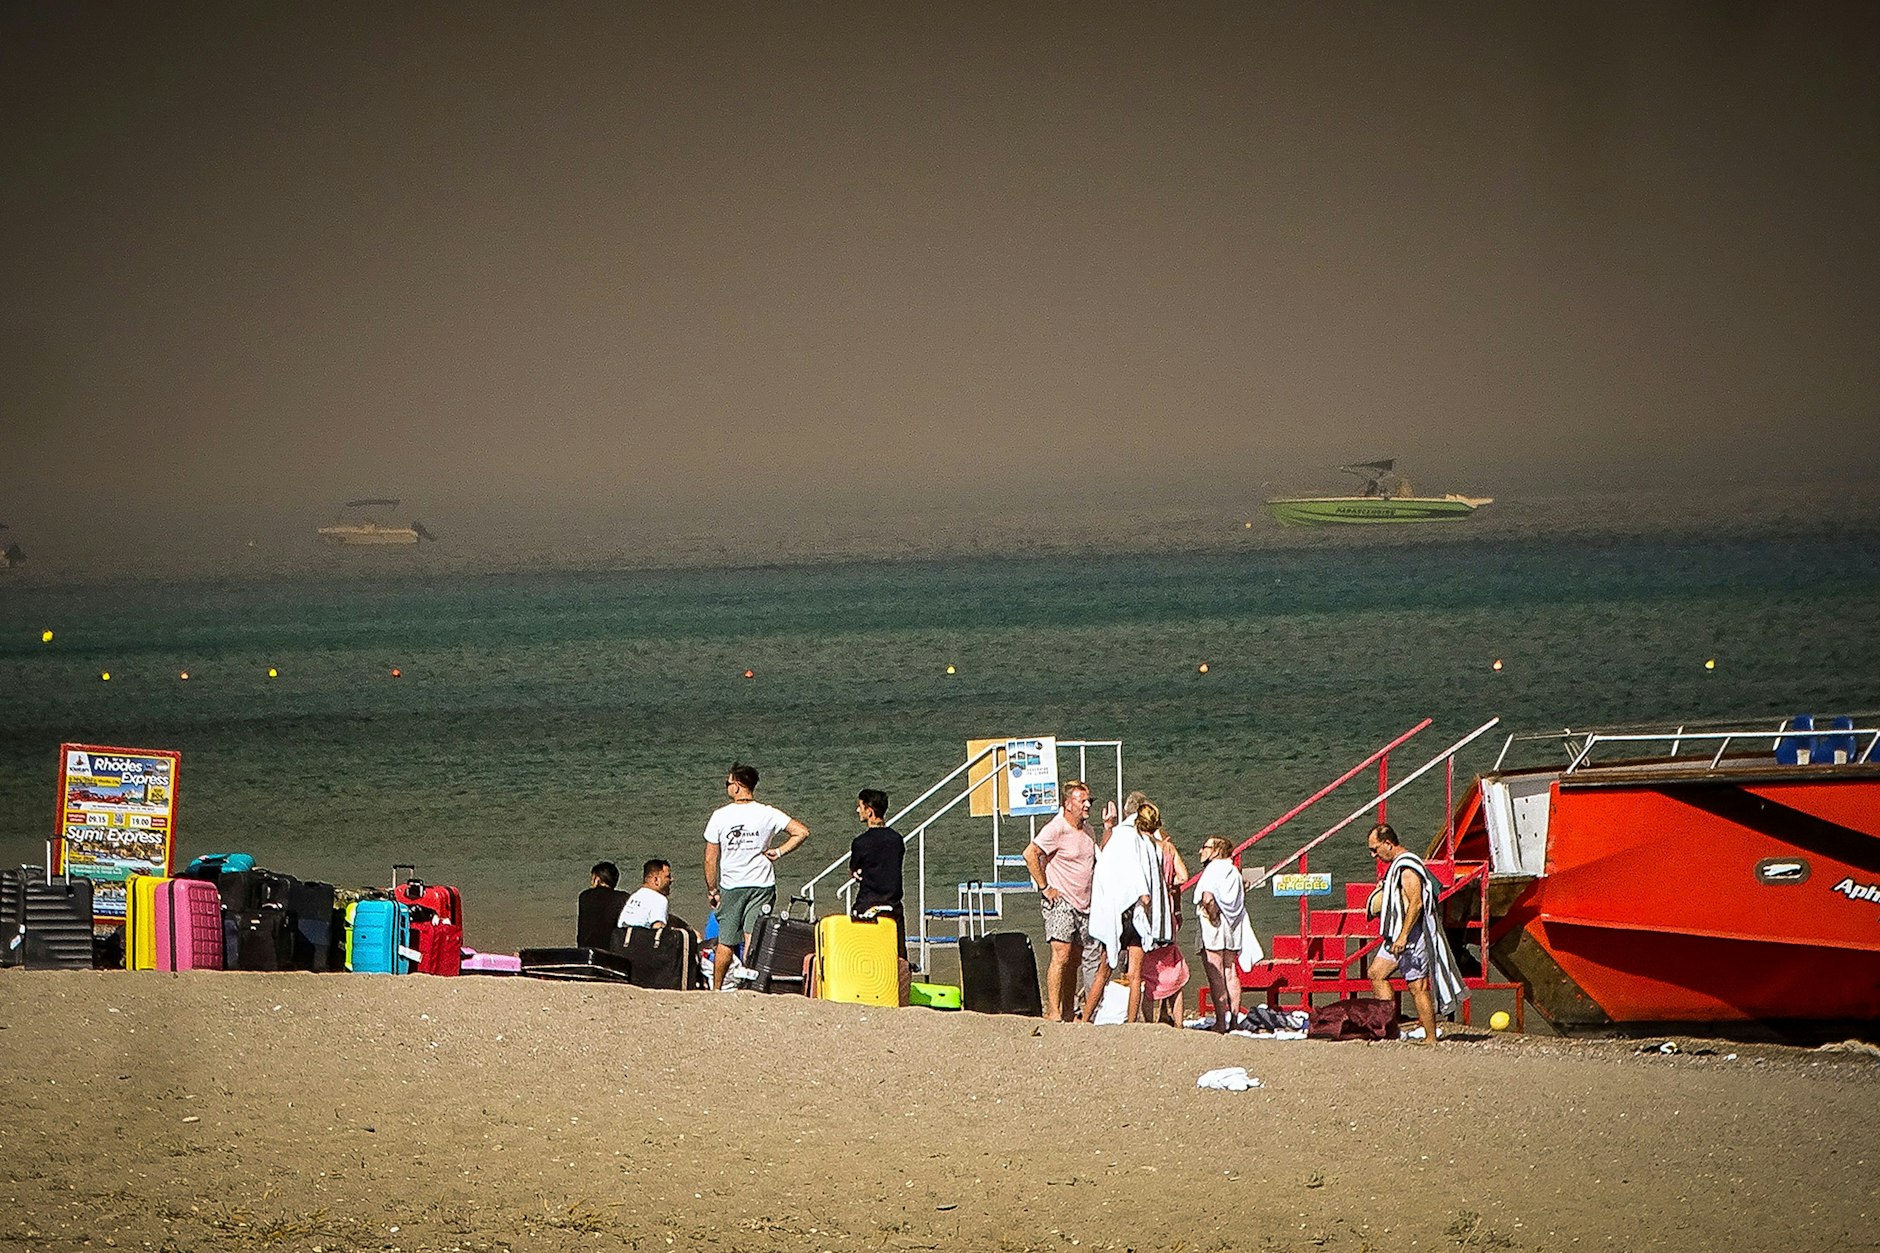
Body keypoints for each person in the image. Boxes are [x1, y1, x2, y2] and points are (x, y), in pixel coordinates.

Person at [703, 762, 810, 990]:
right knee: (753, 937)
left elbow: (710, 859)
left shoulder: (721, 816)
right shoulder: (767, 813)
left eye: (728, 783)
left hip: (733, 885)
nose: (727, 787)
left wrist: (712, 890)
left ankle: (717, 987)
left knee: (726, 940)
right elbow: (801, 832)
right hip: (762, 883)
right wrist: (779, 851)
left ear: (738, 785)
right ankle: (749, 985)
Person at [1365, 822, 1467, 1045]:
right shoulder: (1397, 866)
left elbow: (1416, 904)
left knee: (1416, 986)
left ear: (1388, 844)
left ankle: (1430, 1037)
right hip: (1396, 934)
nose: (1374, 855)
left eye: (1375, 849)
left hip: (1412, 934)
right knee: (1376, 973)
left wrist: (1403, 936)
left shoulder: (1408, 867)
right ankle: (1389, 1030)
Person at [1022, 780, 1109, 1022]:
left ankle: (1069, 1010)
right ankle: (1054, 1011)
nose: (1088, 805)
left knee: (1075, 960)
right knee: (1061, 954)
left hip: (1085, 903)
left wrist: (1108, 828)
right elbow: (1030, 854)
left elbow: (1098, 859)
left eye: (1089, 800)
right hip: (1061, 900)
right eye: (1083, 801)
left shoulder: (1088, 831)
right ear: (1068, 803)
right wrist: (1045, 887)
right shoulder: (1056, 828)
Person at [1084, 800, 1175, 1025]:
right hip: (1136, 914)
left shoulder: (1122, 837)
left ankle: (1085, 1018)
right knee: (1135, 974)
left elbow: (1108, 866)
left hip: (1119, 911)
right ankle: (1131, 1022)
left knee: (1104, 969)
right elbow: (1144, 876)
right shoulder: (1148, 844)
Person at [1194, 836, 1263, 1033]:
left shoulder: (1212, 870)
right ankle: (1233, 1019)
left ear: (1216, 851)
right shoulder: (1233, 870)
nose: (1201, 851)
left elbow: (1207, 897)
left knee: (1215, 974)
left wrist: (1213, 913)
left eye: (1205, 847)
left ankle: (1220, 1021)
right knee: (1231, 971)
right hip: (1233, 925)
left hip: (1214, 925)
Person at [848, 788, 906, 962]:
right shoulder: (897, 839)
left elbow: (854, 868)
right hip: (892, 904)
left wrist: (858, 872)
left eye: (860, 806)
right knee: (898, 956)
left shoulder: (860, 842)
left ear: (870, 811)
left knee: (857, 951)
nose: (858, 810)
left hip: (868, 903)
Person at [1145, 811, 1191, 1025]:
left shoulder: (1143, 847)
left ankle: (1148, 1021)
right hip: (1168, 914)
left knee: (1146, 972)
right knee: (1172, 968)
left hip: (1147, 914)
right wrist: (1168, 885)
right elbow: (1183, 877)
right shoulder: (1168, 848)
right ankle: (1178, 1024)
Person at [576, 861, 627, 949]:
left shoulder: (584, 896)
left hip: (585, 949)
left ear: (597, 878)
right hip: (610, 951)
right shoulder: (621, 897)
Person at [618, 859, 674, 929]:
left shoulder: (635, 896)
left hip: (623, 937)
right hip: (640, 939)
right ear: (656, 880)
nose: (672, 879)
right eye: (668, 876)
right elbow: (658, 927)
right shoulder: (659, 899)